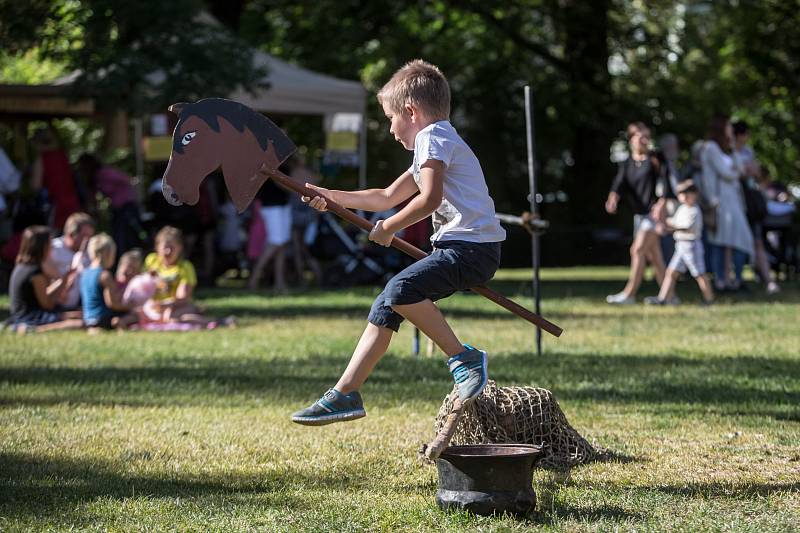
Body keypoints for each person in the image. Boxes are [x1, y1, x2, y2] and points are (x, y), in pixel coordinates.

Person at [291, 60, 505, 425]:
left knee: (400, 289)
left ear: (411, 111)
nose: (390, 129)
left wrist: (388, 228)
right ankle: (345, 393)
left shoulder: (432, 137)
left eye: (391, 118)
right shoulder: (436, 140)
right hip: (463, 249)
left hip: (471, 250)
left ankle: (463, 358)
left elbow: (430, 199)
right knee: (387, 304)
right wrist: (331, 196)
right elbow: (386, 195)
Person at [605, 122, 670, 304]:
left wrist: (661, 204)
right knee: (654, 257)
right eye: (640, 136)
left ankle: (629, 294)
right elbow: (619, 183)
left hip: (654, 214)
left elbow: (665, 182)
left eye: (647, 136)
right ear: (631, 139)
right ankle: (670, 295)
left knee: (637, 250)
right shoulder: (627, 163)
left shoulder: (656, 158)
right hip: (639, 216)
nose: (644, 140)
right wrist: (613, 198)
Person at [702, 114, 754, 292]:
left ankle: (735, 278)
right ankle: (721, 280)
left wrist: (732, 148)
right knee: (720, 242)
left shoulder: (728, 149)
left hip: (734, 201)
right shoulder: (710, 148)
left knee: (738, 239)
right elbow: (727, 173)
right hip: (720, 202)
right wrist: (735, 172)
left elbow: (740, 169)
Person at [645, 181, 714, 305]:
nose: (684, 197)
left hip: (691, 246)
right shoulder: (682, 208)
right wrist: (661, 220)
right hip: (681, 246)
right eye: (682, 195)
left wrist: (668, 229)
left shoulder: (694, 210)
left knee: (699, 273)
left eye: (687, 194)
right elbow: (674, 221)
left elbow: (687, 227)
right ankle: (663, 298)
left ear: (694, 195)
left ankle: (709, 299)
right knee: (671, 272)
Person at [143, 226, 228, 327]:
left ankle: (215, 322)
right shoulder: (151, 261)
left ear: (180, 248)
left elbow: (182, 298)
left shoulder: (185, 267)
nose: (168, 252)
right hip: (154, 306)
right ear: (157, 247)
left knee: (171, 318)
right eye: (165, 247)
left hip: (178, 306)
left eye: (172, 248)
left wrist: (164, 305)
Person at [4, 225, 83, 333]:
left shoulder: (23, 265)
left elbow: (43, 295)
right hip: (30, 317)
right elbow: (48, 305)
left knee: (79, 315)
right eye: (49, 243)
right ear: (42, 247)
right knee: (78, 323)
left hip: (26, 314)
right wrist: (64, 282)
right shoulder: (34, 272)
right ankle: (32, 329)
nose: (52, 246)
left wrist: (64, 279)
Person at [76, 154, 144, 255]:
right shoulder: (95, 178)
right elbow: (92, 197)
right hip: (117, 210)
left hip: (127, 207)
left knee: (127, 236)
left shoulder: (104, 172)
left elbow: (126, 179)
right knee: (118, 237)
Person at [79, 233, 137, 331]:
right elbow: (112, 304)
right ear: (107, 254)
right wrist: (129, 306)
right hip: (103, 319)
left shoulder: (85, 273)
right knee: (134, 316)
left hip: (88, 319)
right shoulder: (104, 275)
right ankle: (119, 323)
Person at [248, 166, 292, 292]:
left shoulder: (283, 160)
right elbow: (280, 181)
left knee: (281, 245)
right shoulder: (268, 160)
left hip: (283, 205)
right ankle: (253, 279)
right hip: (271, 206)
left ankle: (279, 282)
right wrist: (298, 190)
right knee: (275, 243)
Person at [30, 127, 82, 230]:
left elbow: (35, 185)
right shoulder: (63, 155)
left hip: (55, 204)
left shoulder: (42, 159)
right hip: (72, 201)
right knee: (73, 232)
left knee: (53, 235)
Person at [43, 212, 96, 311]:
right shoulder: (53, 249)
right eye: (84, 236)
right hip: (53, 305)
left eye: (90, 237)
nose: (88, 241)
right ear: (71, 234)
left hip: (77, 306)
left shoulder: (90, 253)